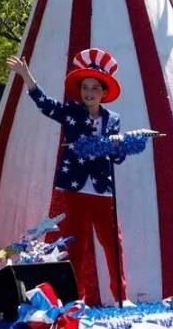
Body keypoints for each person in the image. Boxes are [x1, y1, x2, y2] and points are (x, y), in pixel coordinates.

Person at [7, 52, 129, 305]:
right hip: (74, 188)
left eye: (95, 88)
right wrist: (26, 76)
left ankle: (121, 298)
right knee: (75, 244)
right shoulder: (72, 113)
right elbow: (46, 105)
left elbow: (117, 159)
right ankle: (76, 298)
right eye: (85, 87)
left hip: (103, 190)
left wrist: (118, 148)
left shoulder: (113, 120)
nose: (89, 92)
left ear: (104, 92)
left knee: (113, 246)